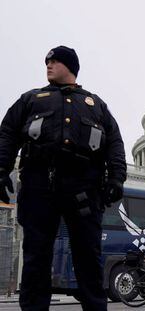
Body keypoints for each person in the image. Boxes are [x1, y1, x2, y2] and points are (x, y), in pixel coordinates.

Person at [0, 46, 126, 310]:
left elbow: (114, 143)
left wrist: (116, 178)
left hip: (84, 189)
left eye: (55, 61)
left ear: (70, 67)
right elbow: (7, 134)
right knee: (36, 258)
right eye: (47, 61)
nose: (48, 65)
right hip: (38, 186)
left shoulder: (96, 104)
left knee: (88, 257)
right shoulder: (31, 99)